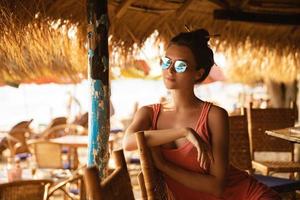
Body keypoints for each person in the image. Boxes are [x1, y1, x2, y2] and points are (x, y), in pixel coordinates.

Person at [122, 28, 280, 200]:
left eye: (180, 66)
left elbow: (216, 187)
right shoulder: (149, 113)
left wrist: (163, 165)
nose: (170, 70)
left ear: (198, 73)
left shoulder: (214, 115)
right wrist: (184, 132)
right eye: (166, 62)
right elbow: (128, 142)